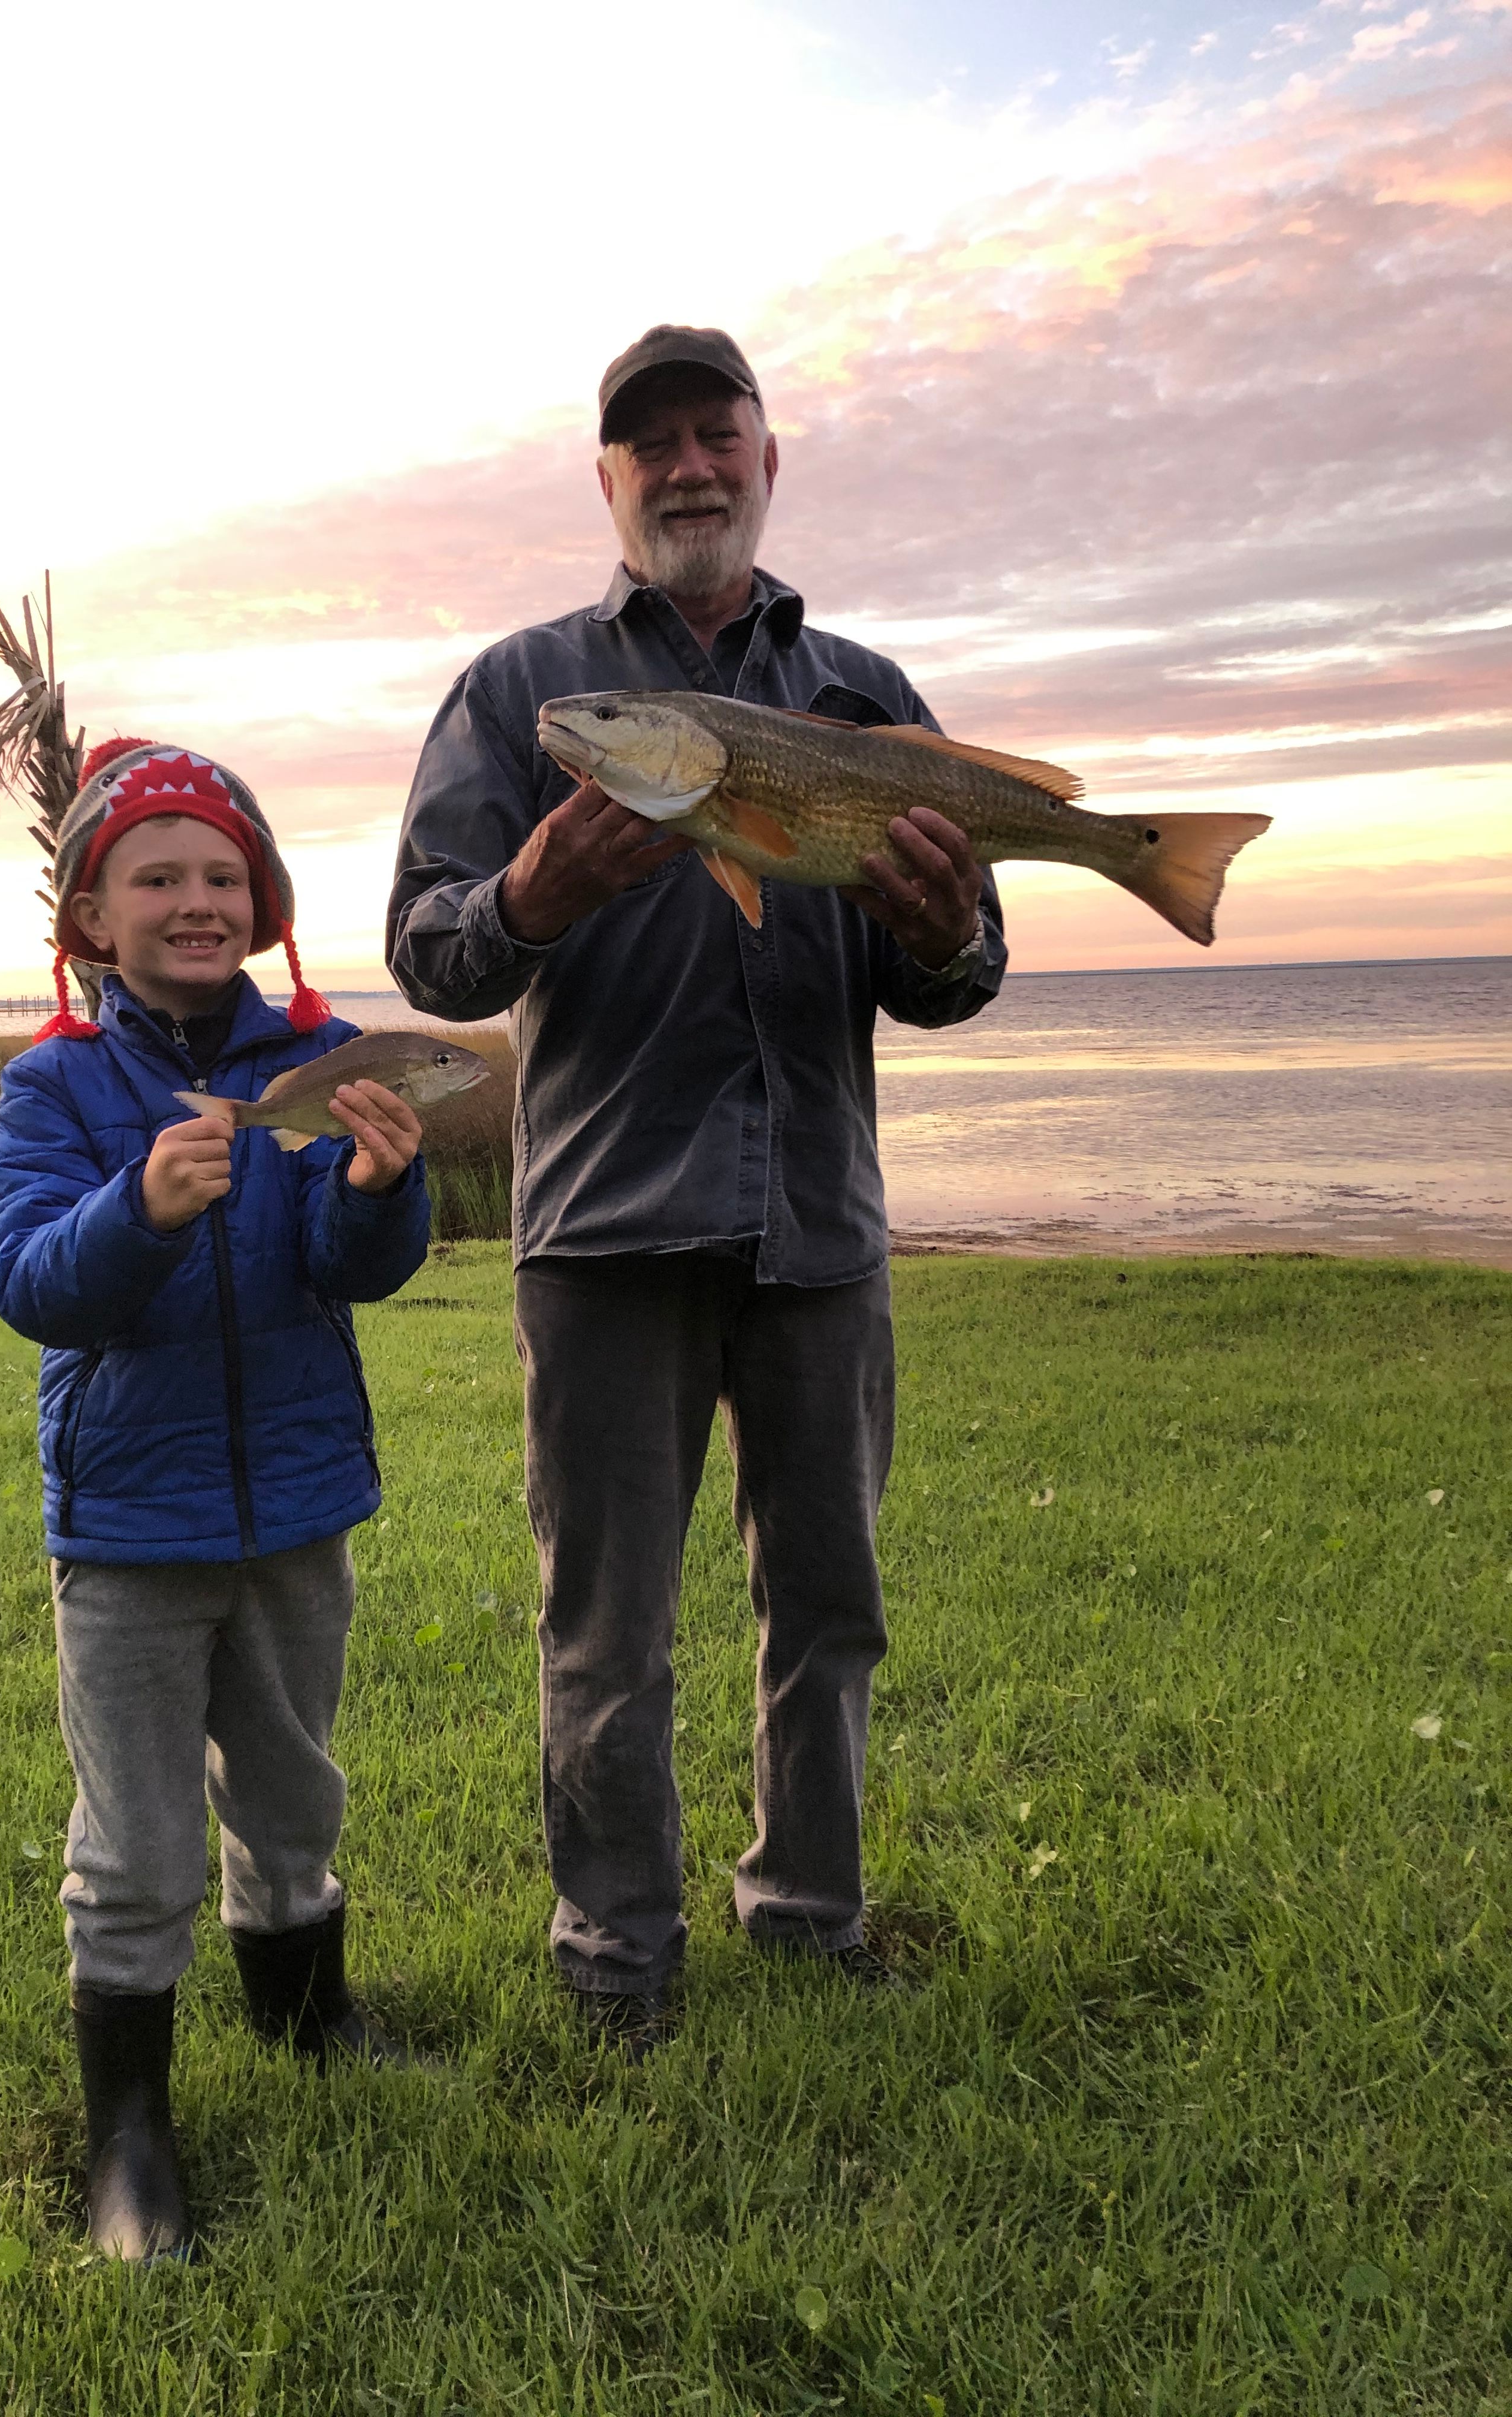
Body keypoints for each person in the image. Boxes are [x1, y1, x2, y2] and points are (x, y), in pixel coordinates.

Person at [387, 325, 1007, 2057]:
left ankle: (811, 1921)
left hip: (821, 1227)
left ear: (765, 457)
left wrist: (947, 928)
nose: (685, 466)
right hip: (602, 1233)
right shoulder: (528, 694)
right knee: (608, 1627)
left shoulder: (865, 697)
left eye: (712, 433)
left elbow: (964, 975)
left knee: (829, 1609)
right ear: (608, 481)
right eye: (645, 443)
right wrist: (527, 894)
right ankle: (618, 1958)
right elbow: (429, 952)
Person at [0, 738, 430, 2259]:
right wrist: (143, 1210)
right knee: (142, 1835)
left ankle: (308, 2018)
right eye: (156, 876)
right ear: (92, 917)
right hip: (127, 1532)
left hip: (300, 1508)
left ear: (265, 900)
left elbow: (348, 1269)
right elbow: (29, 1282)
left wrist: (379, 1190)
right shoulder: (50, 1085)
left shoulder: (320, 1061)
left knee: (296, 1788)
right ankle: (130, 2132)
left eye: (223, 875)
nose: (195, 900)